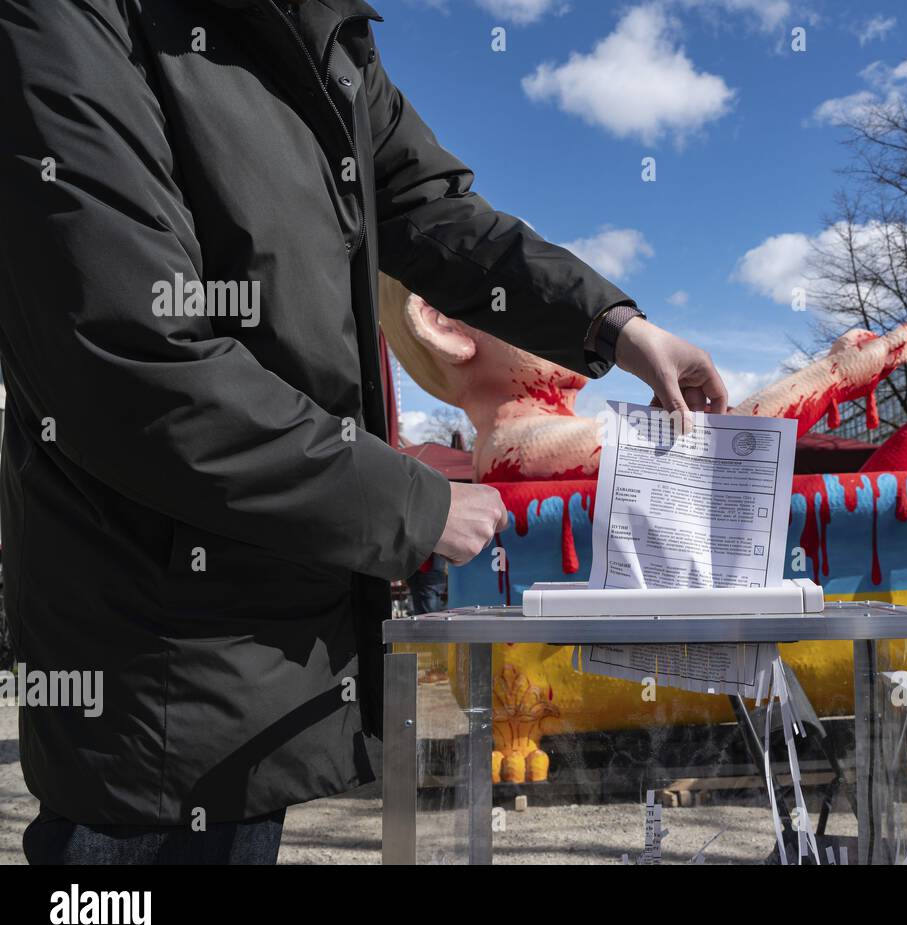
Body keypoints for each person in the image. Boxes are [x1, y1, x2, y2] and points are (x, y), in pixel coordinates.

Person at [0, 0, 726, 864]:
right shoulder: (71, 16)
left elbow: (434, 210)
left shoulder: (330, 41)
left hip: (261, 647)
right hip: (145, 663)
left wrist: (611, 324)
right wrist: (410, 505)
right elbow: (123, 354)